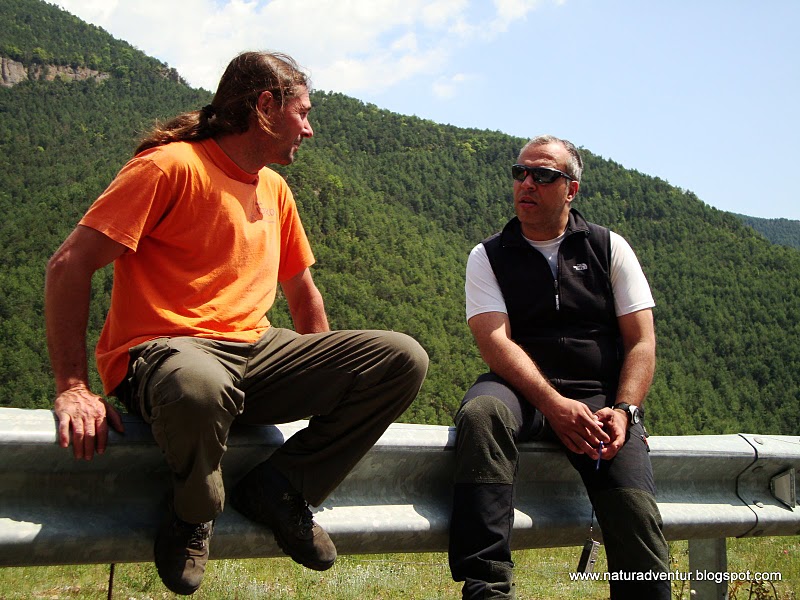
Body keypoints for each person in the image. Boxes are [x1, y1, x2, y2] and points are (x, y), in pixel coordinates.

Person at [45, 51, 428, 596]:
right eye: (303, 113)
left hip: (255, 353)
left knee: (401, 358)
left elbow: (304, 295)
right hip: (167, 353)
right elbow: (68, 265)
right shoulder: (169, 167)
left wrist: (324, 382)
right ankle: (194, 512)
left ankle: (282, 488)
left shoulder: (274, 188)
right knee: (199, 385)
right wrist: (73, 386)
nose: (309, 129)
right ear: (266, 107)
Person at [448, 135, 669, 599]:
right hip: (520, 390)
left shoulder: (609, 248)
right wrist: (553, 404)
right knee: (482, 413)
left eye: (543, 175)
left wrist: (625, 409)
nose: (526, 183)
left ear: (572, 189)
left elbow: (642, 341)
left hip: (598, 399)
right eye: (520, 172)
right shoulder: (488, 255)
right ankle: (487, 587)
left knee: (636, 521)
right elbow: (494, 343)